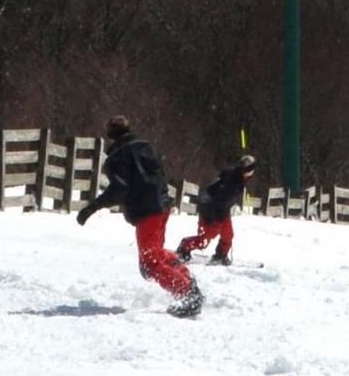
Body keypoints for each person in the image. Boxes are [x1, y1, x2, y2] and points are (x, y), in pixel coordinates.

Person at [76, 116, 202, 318]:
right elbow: (160, 175)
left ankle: (187, 293)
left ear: (110, 134)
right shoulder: (147, 147)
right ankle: (185, 279)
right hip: (162, 206)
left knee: (150, 263)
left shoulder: (116, 159)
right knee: (156, 254)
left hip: (147, 212)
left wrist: (92, 207)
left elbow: (119, 190)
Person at [176, 154, 257, 265]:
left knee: (227, 234)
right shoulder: (233, 182)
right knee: (206, 237)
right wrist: (213, 218)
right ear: (248, 170)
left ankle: (221, 255)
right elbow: (219, 198)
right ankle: (184, 248)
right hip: (211, 210)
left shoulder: (236, 176)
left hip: (222, 210)